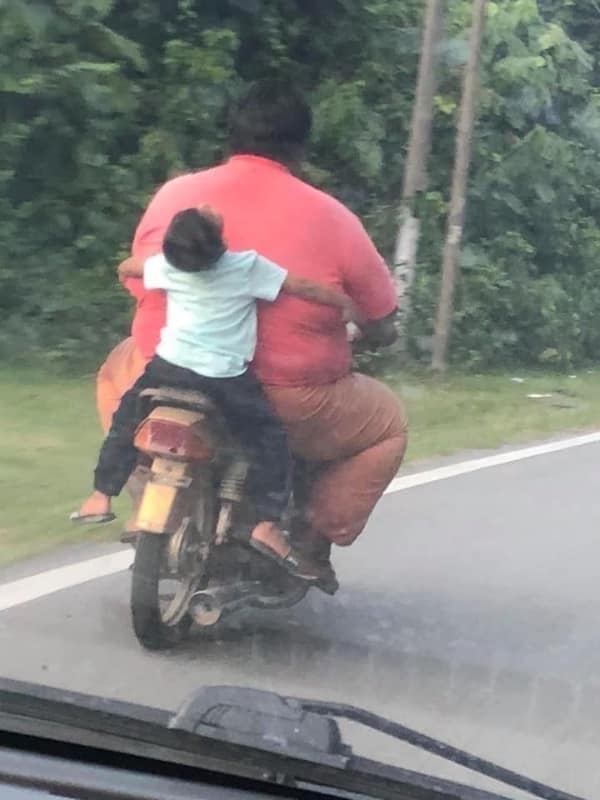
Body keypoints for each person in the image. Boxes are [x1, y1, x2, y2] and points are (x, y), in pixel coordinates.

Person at [96, 78, 408, 585]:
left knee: (117, 371)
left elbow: (143, 287)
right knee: (388, 426)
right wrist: (370, 333)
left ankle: (145, 490)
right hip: (292, 398)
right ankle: (308, 543)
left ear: (231, 137)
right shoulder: (334, 217)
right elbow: (381, 319)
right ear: (300, 149)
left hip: (164, 374)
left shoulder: (176, 195)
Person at [74, 206, 360, 582]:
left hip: (168, 368)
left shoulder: (168, 267)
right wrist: (344, 304)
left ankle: (101, 495)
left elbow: (130, 268)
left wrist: (128, 269)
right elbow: (302, 287)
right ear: (219, 243)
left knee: (126, 422)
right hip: (224, 379)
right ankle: (265, 524)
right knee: (269, 442)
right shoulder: (246, 267)